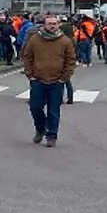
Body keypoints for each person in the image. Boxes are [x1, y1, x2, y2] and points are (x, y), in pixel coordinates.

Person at [22, 13, 76, 148]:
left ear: (58, 25)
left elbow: (71, 60)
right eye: (50, 24)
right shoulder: (35, 39)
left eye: (55, 24)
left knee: (53, 110)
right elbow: (27, 57)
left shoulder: (65, 41)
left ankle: (52, 136)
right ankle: (40, 128)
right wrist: (30, 75)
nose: (52, 26)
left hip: (57, 81)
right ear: (44, 25)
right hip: (38, 80)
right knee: (35, 107)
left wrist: (64, 78)